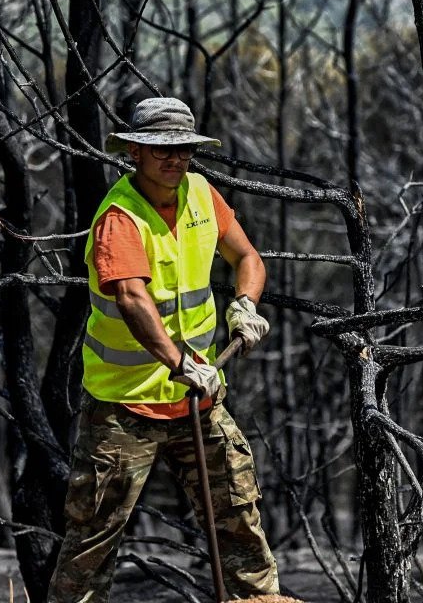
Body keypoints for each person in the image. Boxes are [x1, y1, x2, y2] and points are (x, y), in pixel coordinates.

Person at [47, 97, 280, 602]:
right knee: (93, 537)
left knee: (238, 516)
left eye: (183, 151)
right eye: (162, 151)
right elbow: (131, 298)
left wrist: (245, 304)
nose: (175, 160)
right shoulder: (120, 219)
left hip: (197, 396)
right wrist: (179, 363)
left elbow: (247, 256)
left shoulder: (201, 193)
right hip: (124, 405)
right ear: (134, 151)